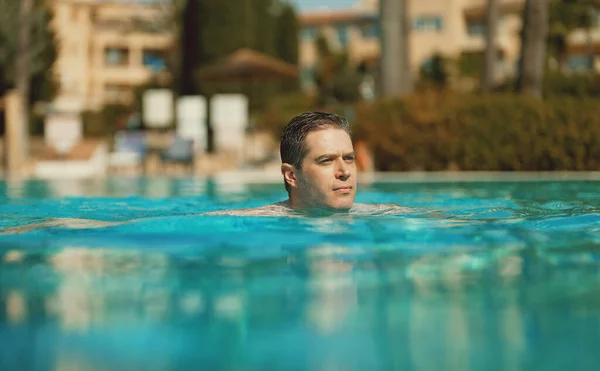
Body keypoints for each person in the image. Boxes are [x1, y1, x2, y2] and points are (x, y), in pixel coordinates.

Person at [206, 112, 408, 216]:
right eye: (326, 161)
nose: (344, 171)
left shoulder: (385, 213)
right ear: (291, 175)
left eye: (349, 158)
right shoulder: (259, 221)